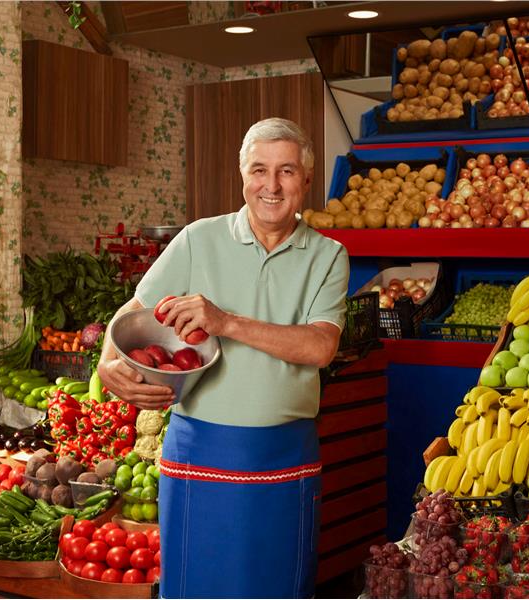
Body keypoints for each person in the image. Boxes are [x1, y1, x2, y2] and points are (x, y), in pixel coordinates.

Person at [97, 117, 350, 599]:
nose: (270, 186)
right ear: (242, 176)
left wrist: (226, 321)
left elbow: (320, 347)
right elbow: (132, 313)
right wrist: (108, 364)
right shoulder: (197, 239)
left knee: (277, 585)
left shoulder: (329, 255)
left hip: (285, 457)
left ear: (307, 181)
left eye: (287, 172)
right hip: (198, 453)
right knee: (196, 585)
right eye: (259, 170)